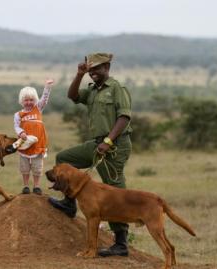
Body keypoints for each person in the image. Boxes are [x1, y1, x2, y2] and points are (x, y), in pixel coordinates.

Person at [48, 53, 133, 257]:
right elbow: (73, 96)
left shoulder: (116, 89)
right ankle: (69, 204)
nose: (93, 72)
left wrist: (109, 141)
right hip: (96, 144)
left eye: (97, 68)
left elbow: (124, 117)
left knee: (115, 191)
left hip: (114, 145)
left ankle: (121, 243)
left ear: (107, 67)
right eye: (90, 69)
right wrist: (79, 75)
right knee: (64, 159)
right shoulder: (93, 90)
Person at [13, 79, 54, 195]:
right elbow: (16, 126)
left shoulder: (38, 109)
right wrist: (21, 133)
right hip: (24, 144)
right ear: (22, 101)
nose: (29, 102)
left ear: (35, 100)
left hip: (38, 144)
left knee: (37, 167)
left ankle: (36, 186)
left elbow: (44, 99)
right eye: (26, 100)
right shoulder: (18, 115)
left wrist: (47, 87)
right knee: (24, 167)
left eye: (31, 100)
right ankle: (26, 186)